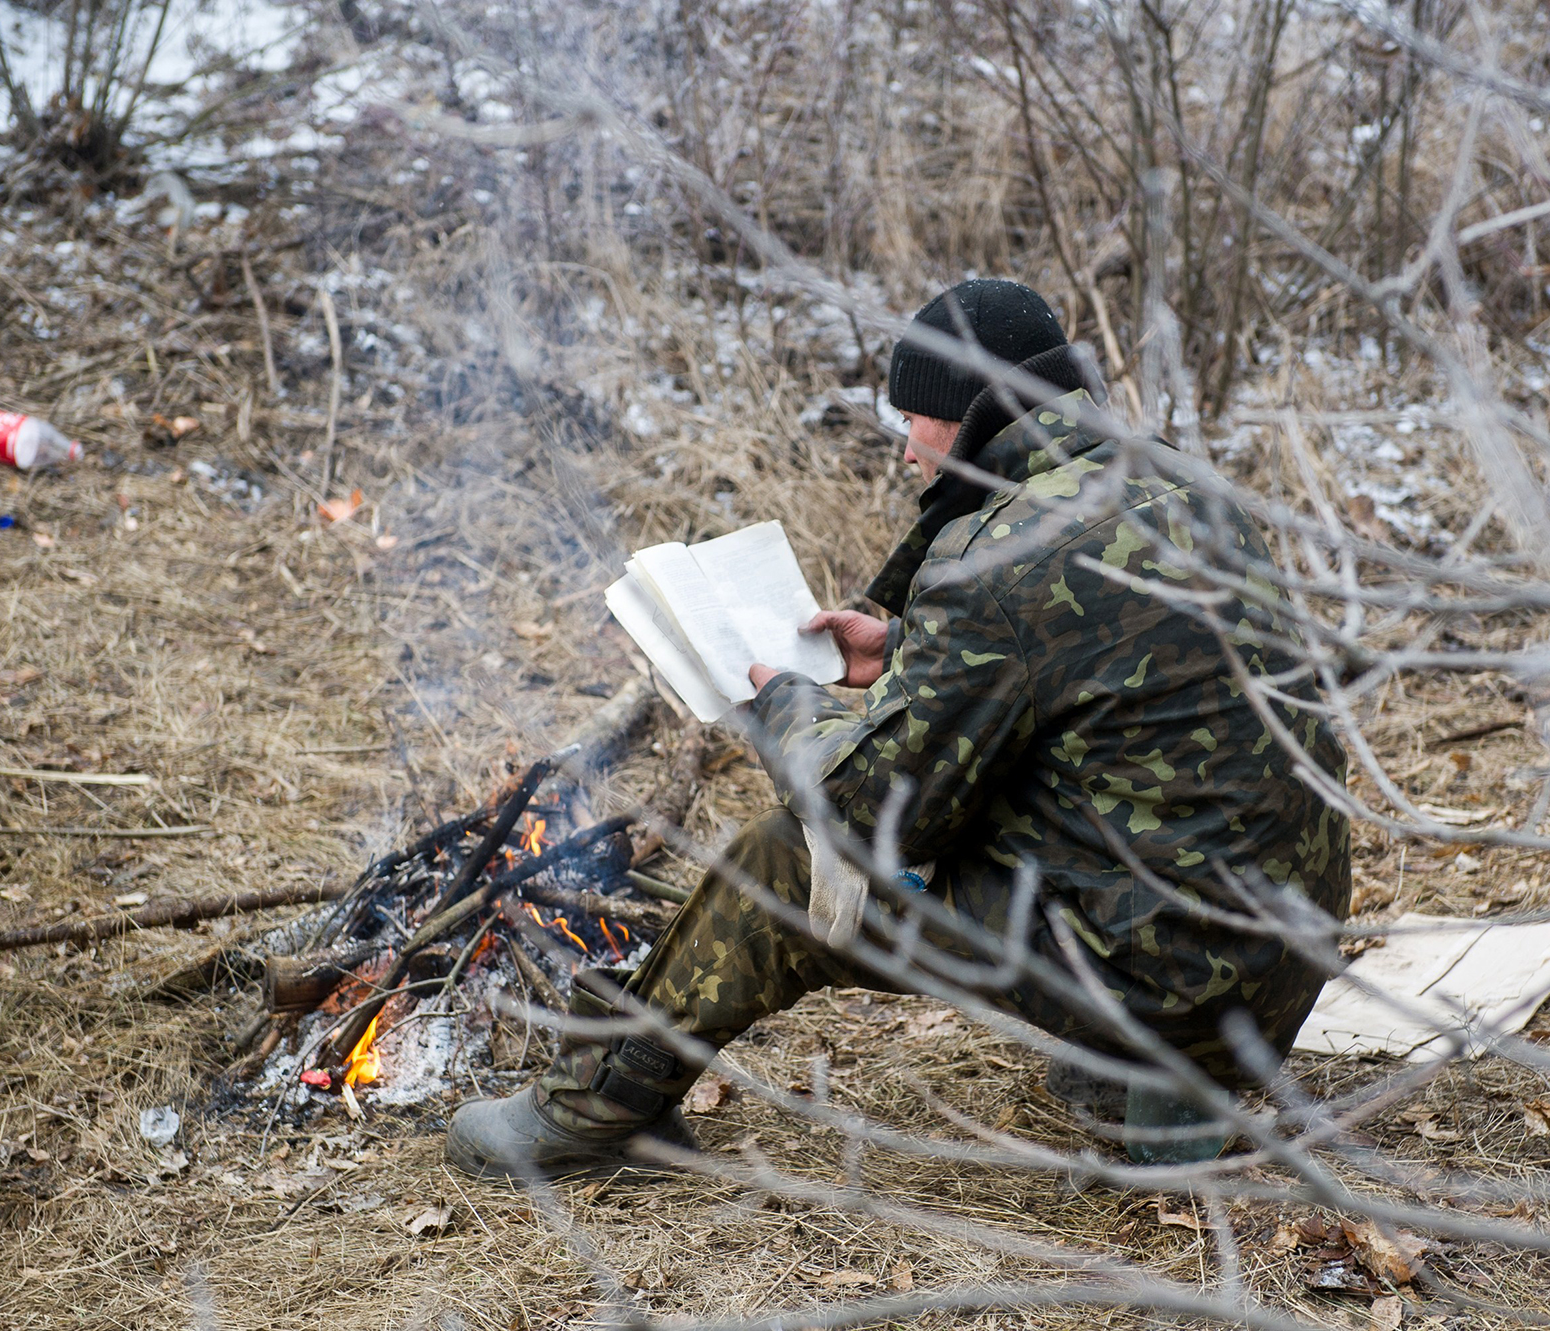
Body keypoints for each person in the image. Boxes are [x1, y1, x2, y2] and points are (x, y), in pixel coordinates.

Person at [446, 278, 1351, 1176]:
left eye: (912, 420)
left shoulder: (995, 557)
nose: (906, 450)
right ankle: (1145, 1085)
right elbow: (1100, 656)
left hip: (1171, 990)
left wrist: (779, 701)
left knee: (783, 860)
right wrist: (909, 644)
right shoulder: (1180, 483)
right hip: (1277, 962)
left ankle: (588, 1114)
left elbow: (868, 818)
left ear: (966, 416)